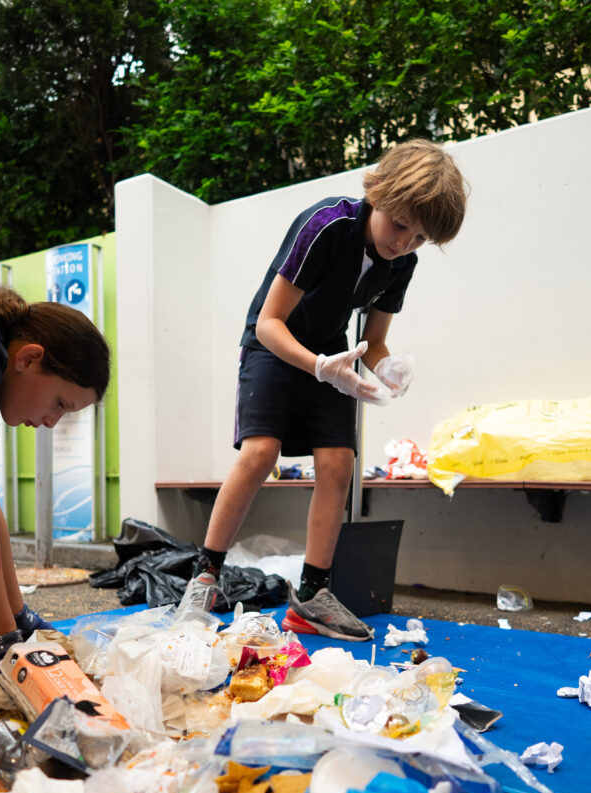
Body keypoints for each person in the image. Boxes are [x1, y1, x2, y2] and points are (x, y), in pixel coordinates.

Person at [184, 139, 467, 641]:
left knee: (339, 463)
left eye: (420, 238)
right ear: (377, 193)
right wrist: (318, 367)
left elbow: (374, 340)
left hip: (332, 352)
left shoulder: (402, 263)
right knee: (260, 452)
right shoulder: (327, 225)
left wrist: (389, 367)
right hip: (274, 344)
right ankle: (204, 578)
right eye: (400, 225)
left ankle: (311, 597)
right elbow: (270, 321)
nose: (404, 243)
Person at [0, 278, 110, 675]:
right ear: (29, 358)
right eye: (59, 404)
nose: (50, 422)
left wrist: (17, 616)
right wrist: (3, 642)